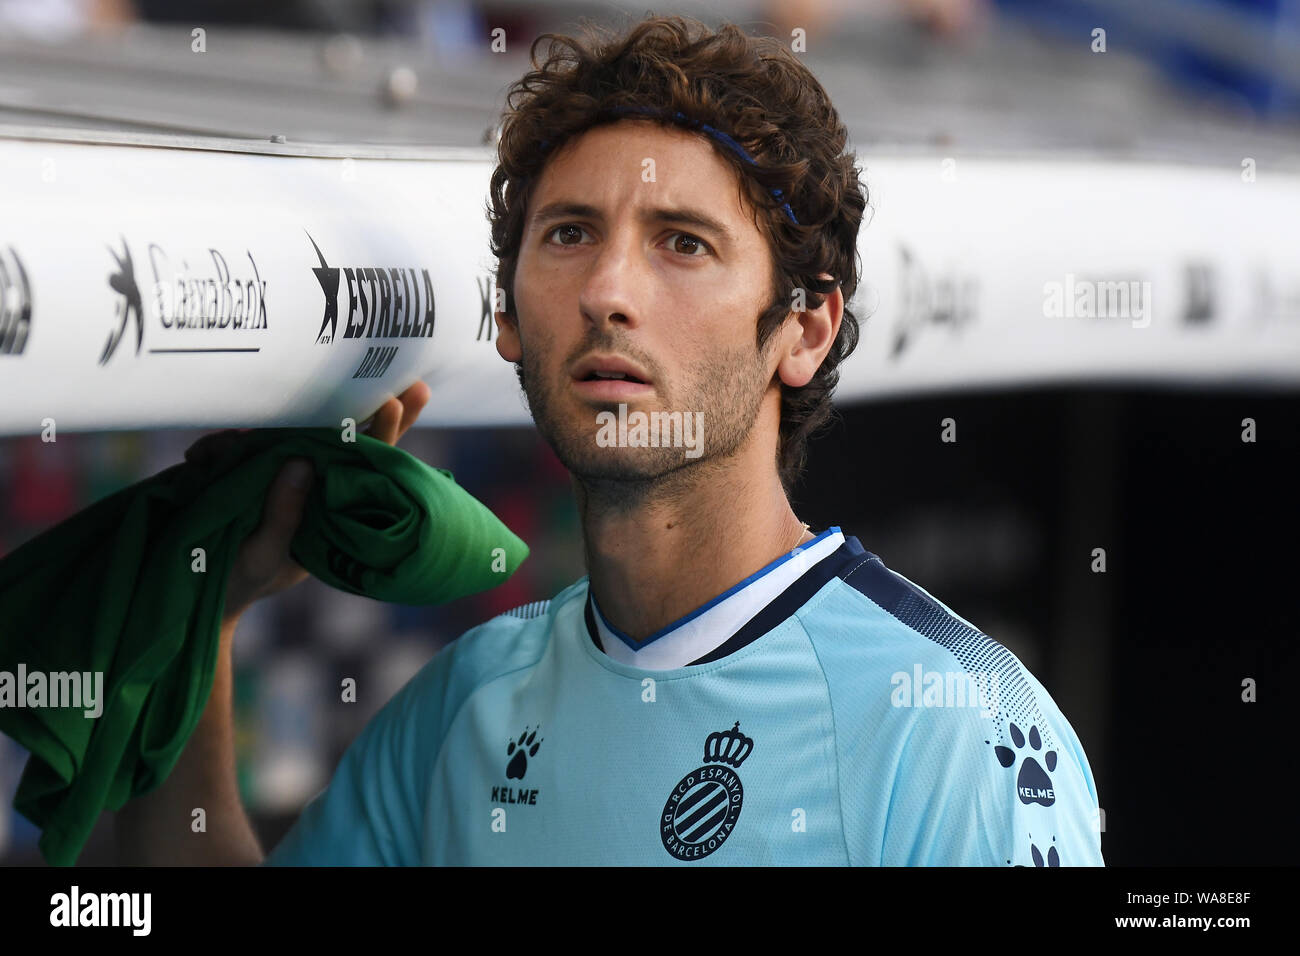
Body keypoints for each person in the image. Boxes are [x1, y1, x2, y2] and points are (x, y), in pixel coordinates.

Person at [115, 14, 1103, 866]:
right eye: (570, 234)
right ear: (507, 317)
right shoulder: (465, 702)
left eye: (683, 241)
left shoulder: (953, 719)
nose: (607, 292)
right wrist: (195, 628)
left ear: (802, 327)